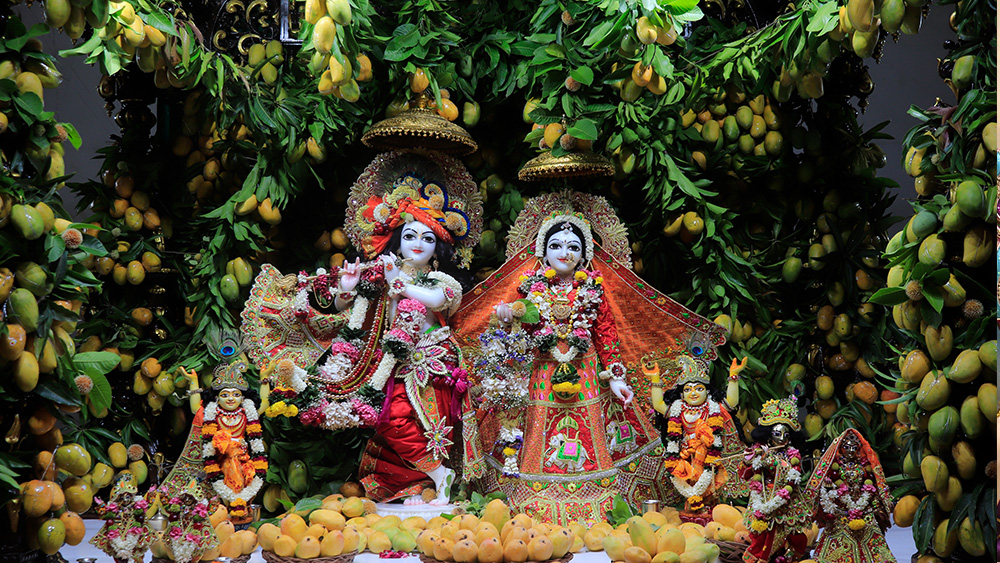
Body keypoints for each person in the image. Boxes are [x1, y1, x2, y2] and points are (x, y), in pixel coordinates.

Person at [454, 190, 727, 524]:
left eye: (573, 247)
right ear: (542, 252)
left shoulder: (592, 290)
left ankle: (596, 498)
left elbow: (606, 334)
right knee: (536, 430)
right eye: (556, 246)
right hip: (542, 372)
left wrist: (616, 378)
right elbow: (523, 326)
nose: (564, 253)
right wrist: (508, 315)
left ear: (584, 256)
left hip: (585, 372)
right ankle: (534, 497)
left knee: (593, 429)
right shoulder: (531, 288)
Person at [243, 150, 482, 506]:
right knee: (388, 424)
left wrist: (398, 281)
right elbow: (349, 310)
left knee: (416, 423)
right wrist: (347, 286)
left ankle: (438, 476)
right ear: (397, 241)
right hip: (387, 362)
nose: (418, 244)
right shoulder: (381, 275)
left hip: (430, 365)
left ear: (437, 250)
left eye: (428, 238)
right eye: (410, 236)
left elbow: (438, 300)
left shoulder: (437, 279)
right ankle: (422, 483)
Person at [648, 355, 747, 518]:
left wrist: (734, 377)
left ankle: (715, 512)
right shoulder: (678, 409)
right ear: (682, 394)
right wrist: (655, 379)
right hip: (688, 455)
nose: (693, 393)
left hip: (710, 454)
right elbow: (659, 405)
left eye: (698, 389)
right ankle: (693, 510)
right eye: (688, 389)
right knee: (690, 482)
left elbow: (731, 402)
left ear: (707, 391)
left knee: (712, 486)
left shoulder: (713, 407)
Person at [807, 428, 896, 563]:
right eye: (847, 447)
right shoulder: (835, 467)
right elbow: (827, 489)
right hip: (841, 512)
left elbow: (872, 487)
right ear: (841, 448)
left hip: (863, 511)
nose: (850, 450)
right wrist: (829, 488)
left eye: (854, 447)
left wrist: (876, 505)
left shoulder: (864, 466)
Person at [740, 396, 811, 563]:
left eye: (786, 434)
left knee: (793, 532)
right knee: (764, 531)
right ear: (768, 434)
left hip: (788, 498)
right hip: (765, 495)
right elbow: (748, 472)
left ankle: (789, 555)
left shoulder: (792, 454)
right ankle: (760, 557)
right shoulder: (762, 451)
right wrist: (752, 458)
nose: (782, 438)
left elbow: (793, 475)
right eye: (777, 433)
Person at [91, 472, 154, 563]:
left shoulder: (137, 506)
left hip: (134, 534)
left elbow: (146, 505)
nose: (125, 500)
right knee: (118, 556)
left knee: (136, 555)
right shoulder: (115, 508)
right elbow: (106, 514)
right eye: (122, 497)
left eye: (127, 496)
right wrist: (101, 504)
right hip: (118, 535)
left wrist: (150, 493)